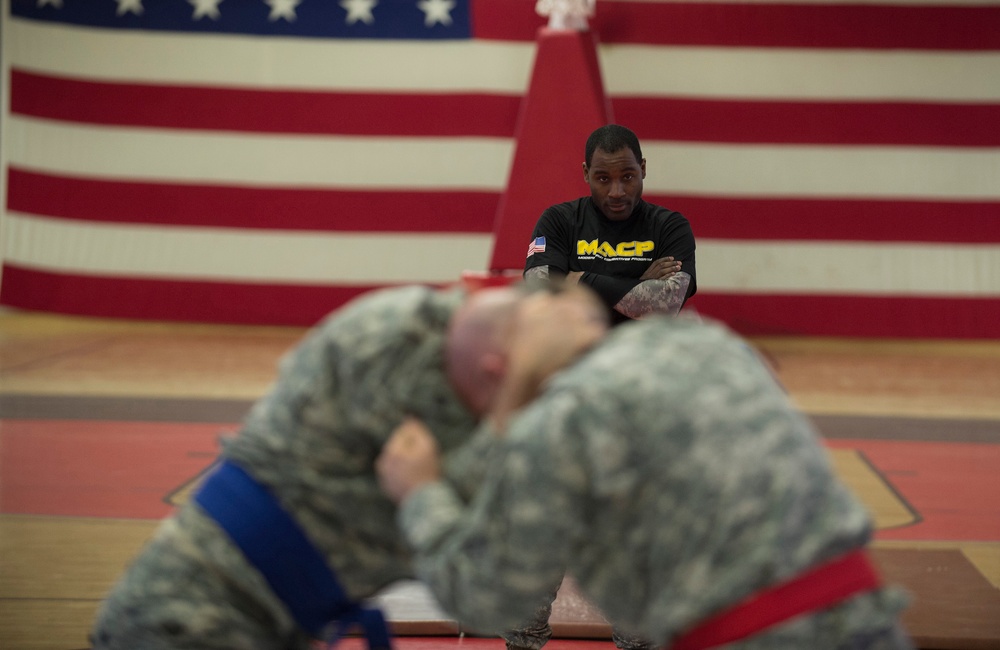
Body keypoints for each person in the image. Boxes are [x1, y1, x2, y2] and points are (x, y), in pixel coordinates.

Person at [376, 290, 914, 650]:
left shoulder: (559, 423)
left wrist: (421, 492)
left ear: (496, 371)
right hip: (869, 621)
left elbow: (482, 599)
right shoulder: (701, 339)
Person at [89, 283, 556, 650]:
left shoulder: (426, 332)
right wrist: (422, 493)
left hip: (245, 617)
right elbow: (481, 594)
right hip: (190, 622)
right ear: (497, 372)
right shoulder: (390, 356)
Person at [524, 124, 697, 325]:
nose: (617, 192)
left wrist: (580, 280)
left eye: (628, 176)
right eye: (603, 178)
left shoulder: (671, 226)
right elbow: (541, 301)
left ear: (643, 169)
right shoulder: (558, 221)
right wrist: (640, 284)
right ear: (586, 173)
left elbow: (667, 305)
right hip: (579, 351)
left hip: (642, 351)